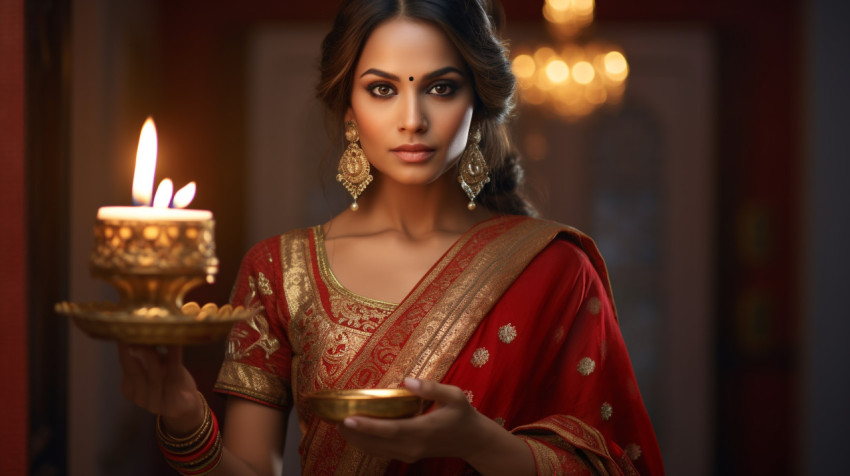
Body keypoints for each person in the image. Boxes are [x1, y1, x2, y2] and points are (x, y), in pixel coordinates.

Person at [118, 0, 665, 474]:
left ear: (477, 104)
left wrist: (479, 442)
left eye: (441, 88)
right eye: (382, 89)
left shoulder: (554, 268)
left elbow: (618, 465)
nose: (412, 118)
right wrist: (186, 419)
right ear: (348, 106)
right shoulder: (279, 271)